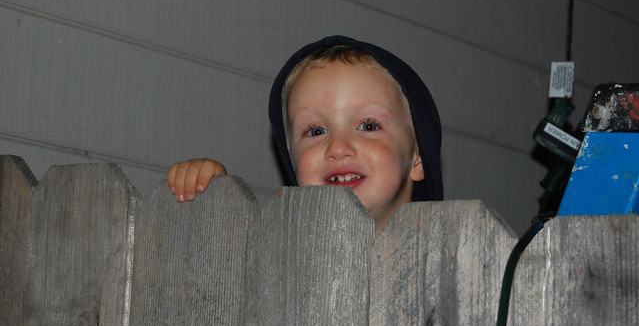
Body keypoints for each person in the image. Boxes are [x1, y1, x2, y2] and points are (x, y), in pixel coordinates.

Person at [167, 35, 443, 231]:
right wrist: (213, 201)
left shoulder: (453, 267)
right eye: (316, 131)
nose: (338, 146)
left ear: (417, 158)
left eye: (368, 126)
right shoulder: (278, 259)